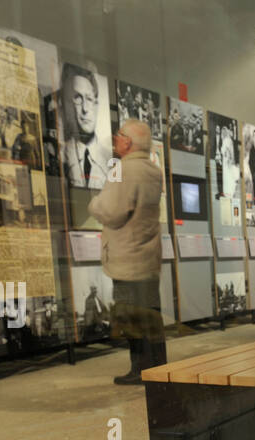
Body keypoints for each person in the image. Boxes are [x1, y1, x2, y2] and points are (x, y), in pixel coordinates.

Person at [88, 119, 166, 384]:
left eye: (119, 135)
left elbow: (111, 211)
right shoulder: (154, 171)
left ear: (128, 143)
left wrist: (94, 203)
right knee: (151, 314)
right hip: (147, 255)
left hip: (126, 257)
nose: (115, 138)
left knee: (132, 317)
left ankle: (140, 370)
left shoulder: (123, 170)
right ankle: (157, 367)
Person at [59, 62, 110, 188]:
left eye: (89, 99)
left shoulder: (110, 159)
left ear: (96, 104)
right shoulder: (62, 156)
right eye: (78, 98)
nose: (85, 108)